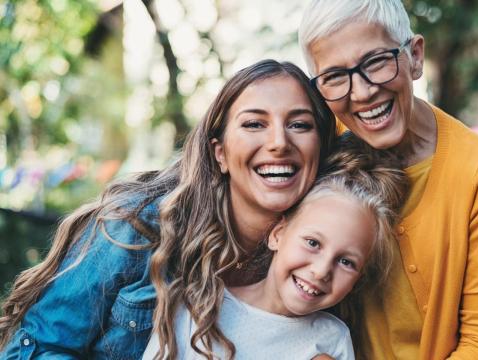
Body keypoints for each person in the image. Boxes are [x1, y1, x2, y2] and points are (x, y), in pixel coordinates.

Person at [0, 60, 336, 359]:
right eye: (254, 124)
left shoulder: (326, 258)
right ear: (219, 153)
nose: (279, 142)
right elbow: (37, 347)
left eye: (300, 125)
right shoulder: (137, 227)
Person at [299, 1, 478, 359]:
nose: (361, 92)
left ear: (415, 57)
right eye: (335, 77)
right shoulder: (318, 150)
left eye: (375, 62)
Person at [142, 147, 409, 359]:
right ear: (277, 234)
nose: (321, 270)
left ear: (358, 279)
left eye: (346, 261)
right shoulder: (198, 306)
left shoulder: (332, 339)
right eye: (313, 243)